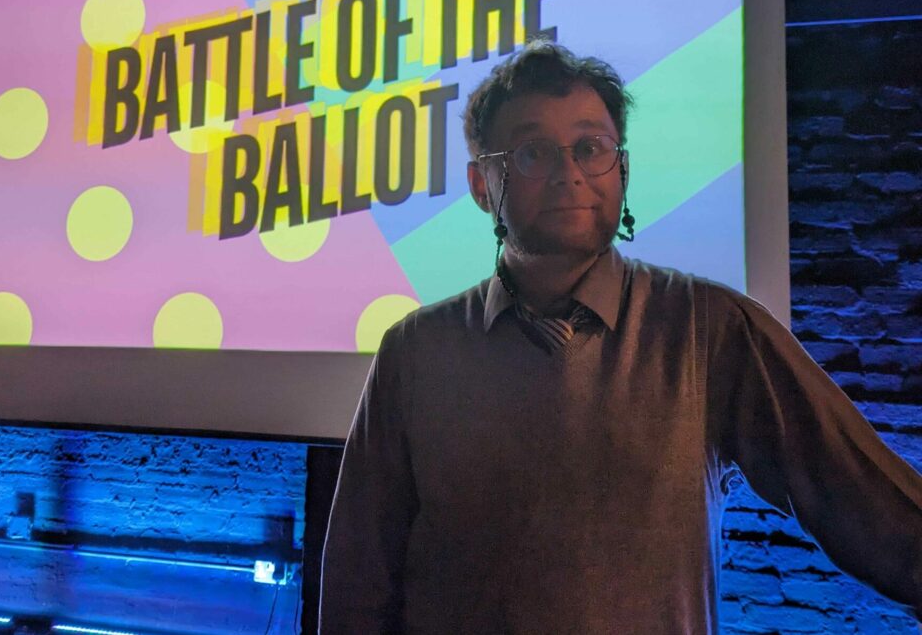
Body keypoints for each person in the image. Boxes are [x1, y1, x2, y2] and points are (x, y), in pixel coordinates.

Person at [319, 40, 922, 634]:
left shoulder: (707, 328)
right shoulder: (417, 351)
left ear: (622, 168)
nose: (569, 173)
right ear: (482, 185)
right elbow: (358, 583)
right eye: (532, 153)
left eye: (591, 148)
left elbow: (864, 499)